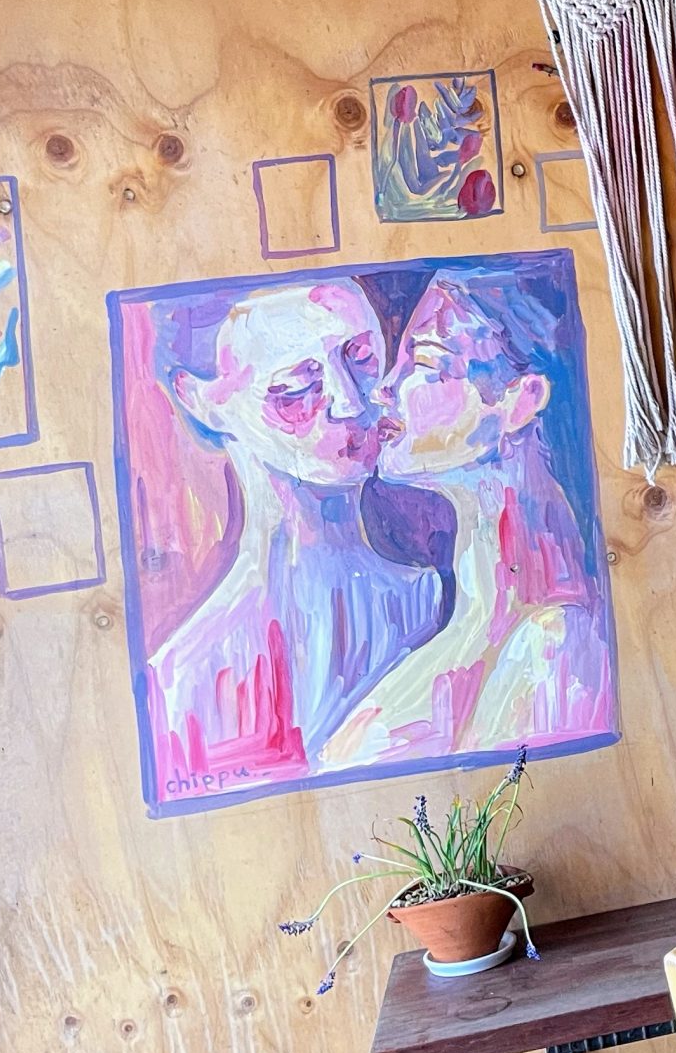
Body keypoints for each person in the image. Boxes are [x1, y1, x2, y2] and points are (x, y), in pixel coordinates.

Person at [143, 279, 450, 795]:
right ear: (202, 402)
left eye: (361, 358)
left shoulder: (437, 602)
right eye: (294, 389)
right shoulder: (185, 682)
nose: (350, 404)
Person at [319, 267, 614, 770]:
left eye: (426, 362)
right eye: (396, 362)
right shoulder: (471, 627)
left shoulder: (556, 646)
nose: (383, 389)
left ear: (520, 401)